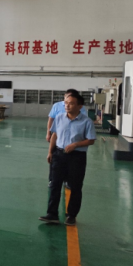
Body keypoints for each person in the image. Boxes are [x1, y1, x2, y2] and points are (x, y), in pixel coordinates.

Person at [40, 91, 96, 226]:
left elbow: (91, 140)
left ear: (80, 106)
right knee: (55, 185)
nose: (67, 106)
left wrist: (75, 144)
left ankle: (71, 215)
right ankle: (52, 214)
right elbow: (54, 135)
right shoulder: (59, 118)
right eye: (66, 103)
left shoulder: (86, 122)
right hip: (59, 155)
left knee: (75, 186)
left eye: (71, 104)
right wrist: (50, 152)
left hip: (77, 157)